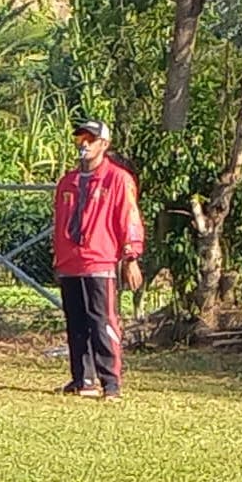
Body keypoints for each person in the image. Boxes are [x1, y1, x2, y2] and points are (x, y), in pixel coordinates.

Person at [49, 119, 146, 398]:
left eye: (90, 139)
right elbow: (60, 222)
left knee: (102, 321)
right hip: (70, 263)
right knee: (76, 323)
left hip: (100, 261)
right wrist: (58, 256)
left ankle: (110, 383)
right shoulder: (67, 182)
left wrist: (131, 256)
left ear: (104, 144)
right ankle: (83, 379)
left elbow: (128, 218)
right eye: (80, 138)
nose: (84, 143)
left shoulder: (118, 179)